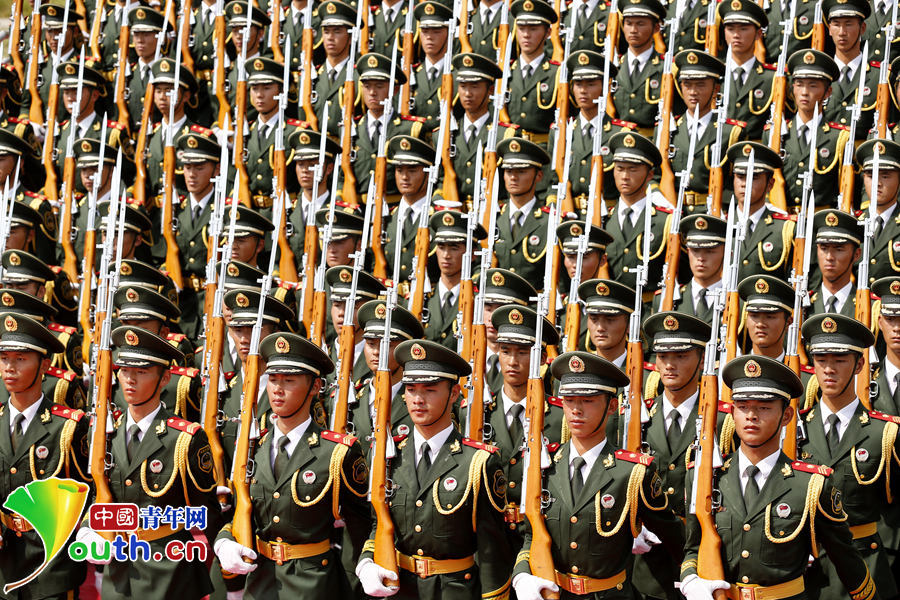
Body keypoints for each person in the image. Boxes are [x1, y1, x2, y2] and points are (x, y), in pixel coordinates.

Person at [679, 355, 876, 600]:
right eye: (742, 406)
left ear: (786, 416)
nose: (751, 415)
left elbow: (846, 559)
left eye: (763, 407)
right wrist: (690, 580)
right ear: (731, 412)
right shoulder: (707, 476)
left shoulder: (810, 485)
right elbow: (693, 547)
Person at [511, 351, 686, 600]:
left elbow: (677, 540)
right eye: (569, 399)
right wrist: (522, 574)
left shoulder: (633, 474)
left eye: (588, 400)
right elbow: (532, 534)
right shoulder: (545, 467)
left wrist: (692, 578)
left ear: (612, 405)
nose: (576, 410)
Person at [213, 332, 372, 598]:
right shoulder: (254, 446)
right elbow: (244, 511)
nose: (277, 388)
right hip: (261, 583)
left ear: (315, 386)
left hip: (314, 584)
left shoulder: (337, 452)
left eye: (289, 380)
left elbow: (362, 525)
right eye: (273, 379)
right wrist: (224, 541)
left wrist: (362, 570)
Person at [355, 339, 513, 599]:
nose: (417, 399)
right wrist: (367, 561)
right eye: (411, 389)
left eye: (429, 389)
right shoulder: (388, 454)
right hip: (400, 587)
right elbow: (378, 522)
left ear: (453, 393)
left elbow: (492, 552)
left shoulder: (478, 462)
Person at [76, 326, 223, 599]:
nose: (130, 380)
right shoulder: (107, 433)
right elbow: (98, 495)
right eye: (124, 371)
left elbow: (208, 509)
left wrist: (227, 564)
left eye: (141, 372)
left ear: (165, 377)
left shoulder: (184, 439)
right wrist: (88, 529)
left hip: (169, 570)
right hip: (119, 573)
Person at [797, 314, 898, 599]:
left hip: (867, 567)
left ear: (860, 364)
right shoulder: (793, 431)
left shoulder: (885, 433)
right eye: (821, 360)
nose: (829, 369)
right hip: (810, 574)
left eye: (840, 360)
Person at [0, 312, 91, 598]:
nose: (9, 368)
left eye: (21, 359)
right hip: (4, 564)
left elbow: (92, 491)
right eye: (4, 358)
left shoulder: (68, 427)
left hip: (51, 567)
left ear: (45, 365)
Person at [603, 131, 670, 291]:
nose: (625, 176)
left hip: (648, 311)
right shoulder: (603, 220)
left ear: (649, 175)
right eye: (619, 169)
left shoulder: (664, 221)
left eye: (632, 169)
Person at [725, 141, 795, 281]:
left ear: (770, 184)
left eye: (753, 177)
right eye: (740, 176)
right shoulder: (722, 224)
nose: (744, 183)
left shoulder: (784, 230)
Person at [423, 209, 487, 349]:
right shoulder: (424, 298)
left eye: (454, 248)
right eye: (441, 247)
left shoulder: (478, 300)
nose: (446, 255)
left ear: (472, 254)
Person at [493, 138, 552, 287]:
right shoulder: (494, 217)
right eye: (508, 171)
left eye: (521, 171)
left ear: (538, 176)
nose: (513, 177)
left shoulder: (549, 221)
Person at [652, 214, 727, 324]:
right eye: (695, 250)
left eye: (710, 251)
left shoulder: (738, 304)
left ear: (727, 254)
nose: (701, 258)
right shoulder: (666, 299)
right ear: (688, 251)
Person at [505, 0, 559, 143]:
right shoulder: (506, 72)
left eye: (533, 29)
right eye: (521, 28)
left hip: (542, 151)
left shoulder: (557, 74)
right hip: (510, 151)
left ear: (548, 32)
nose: (526, 34)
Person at [808, 209, 862, 316]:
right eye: (824, 248)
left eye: (839, 249)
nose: (829, 257)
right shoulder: (804, 306)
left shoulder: (868, 307)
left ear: (856, 254)